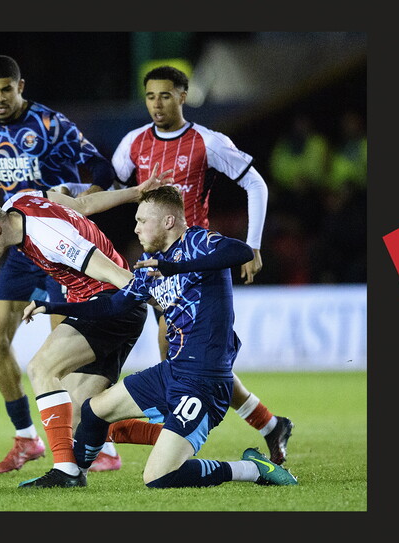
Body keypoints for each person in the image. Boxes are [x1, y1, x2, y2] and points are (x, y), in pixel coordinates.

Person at [23, 186, 299, 488]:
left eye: (143, 220)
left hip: (204, 381)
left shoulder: (198, 242)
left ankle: (252, 469)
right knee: (93, 411)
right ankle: (74, 475)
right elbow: (114, 304)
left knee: (158, 477)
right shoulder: (149, 264)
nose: (136, 227)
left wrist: (176, 268)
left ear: (168, 221)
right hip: (172, 372)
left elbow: (241, 252)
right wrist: (52, 306)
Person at [0, 55, 123, 473]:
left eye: (7, 88)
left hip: (55, 243)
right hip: (17, 246)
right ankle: (27, 439)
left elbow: (102, 167)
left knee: (65, 352)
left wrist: (79, 207)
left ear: (21, 85)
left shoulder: (51, 124)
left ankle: (97, 442)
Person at [111, 65, 293, 464]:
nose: (157, 104)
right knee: (200, 360)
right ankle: (268, 424)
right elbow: (114, 190)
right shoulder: (132, 144)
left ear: (183, 96)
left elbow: (255, 183)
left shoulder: (207, 142)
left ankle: (172, 419)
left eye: (165, 95)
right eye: (150, 97)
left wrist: (254, 245)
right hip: (155, 261)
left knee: (174, 342)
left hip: (198, 260)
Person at [0, 169, 174, 489]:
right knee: (85, 414)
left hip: (108, 307)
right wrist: (135, 192)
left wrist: (171, 305)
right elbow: (80, 206)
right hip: (110, 308)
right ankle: (180, 436)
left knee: (41, 367)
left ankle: (66, 471)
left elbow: (115, 275)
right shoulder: (20, 200)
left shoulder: (52, 239)